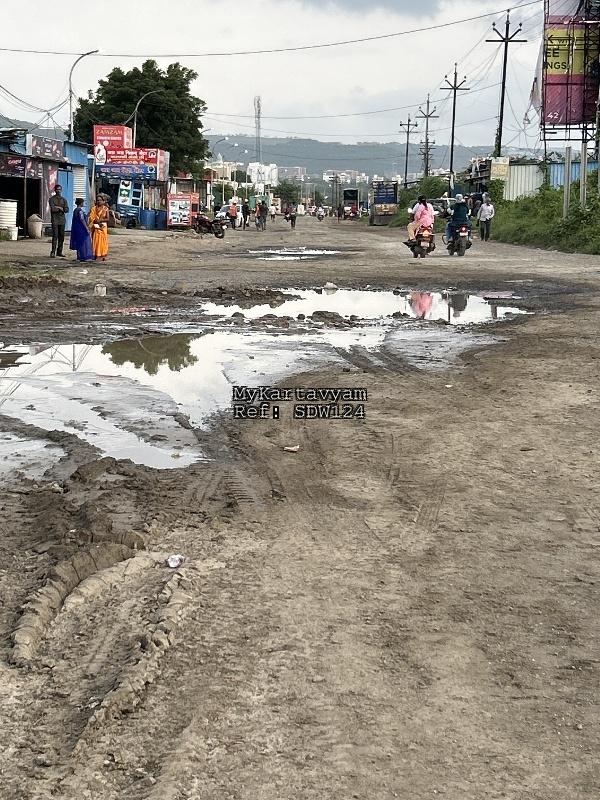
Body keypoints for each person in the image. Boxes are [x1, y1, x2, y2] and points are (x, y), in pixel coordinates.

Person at [69, 198, 93, 262]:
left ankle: (79, 257)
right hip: (81, 229)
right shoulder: (80, 210)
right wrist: (86, 228)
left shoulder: (75, 210)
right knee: (83, 242)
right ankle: (84, 256)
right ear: (81, 203)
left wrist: (88, 214)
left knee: (79, 243)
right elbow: (82, 220)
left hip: (76, 228)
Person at [49, 184, 69, 258]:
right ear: (55, 190)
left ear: (61, 190)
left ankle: (59, 251)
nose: (58, 191)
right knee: (55, 236)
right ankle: (53, 252)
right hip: (55, 220)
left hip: (62, 220)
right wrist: (60, 208)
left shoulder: (64, 200)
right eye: (57, 189)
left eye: (60, 189)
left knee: (62, 237)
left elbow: (67, 210)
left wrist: (59, 208)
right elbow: (53, 209)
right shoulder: (51, 199)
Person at [88, 197, 109, 261]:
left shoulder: (106, 209)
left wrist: (100, 220)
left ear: (103, 201)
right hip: (95, 227)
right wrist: (94, 220)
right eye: (97, 200)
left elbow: (107, 219)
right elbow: (91, 217)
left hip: (102, 227)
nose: (99, 201)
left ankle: (102, 255)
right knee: (95, 241)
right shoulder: (93, 209)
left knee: (102, 241)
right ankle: (95, 254)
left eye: (100, 200)